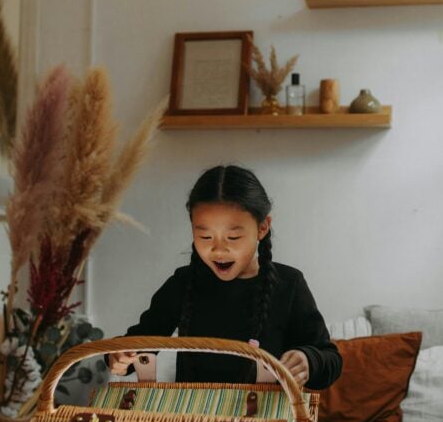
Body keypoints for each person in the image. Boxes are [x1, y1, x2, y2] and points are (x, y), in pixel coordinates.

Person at [109, 164, 342, 389]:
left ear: (262, 227)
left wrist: (309, 359)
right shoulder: (183, 283)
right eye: (206, 237)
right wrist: (118, 357)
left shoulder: (289, 284)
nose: (218, 250)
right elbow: (136, 343)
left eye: (233, 238)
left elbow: (330, 359)